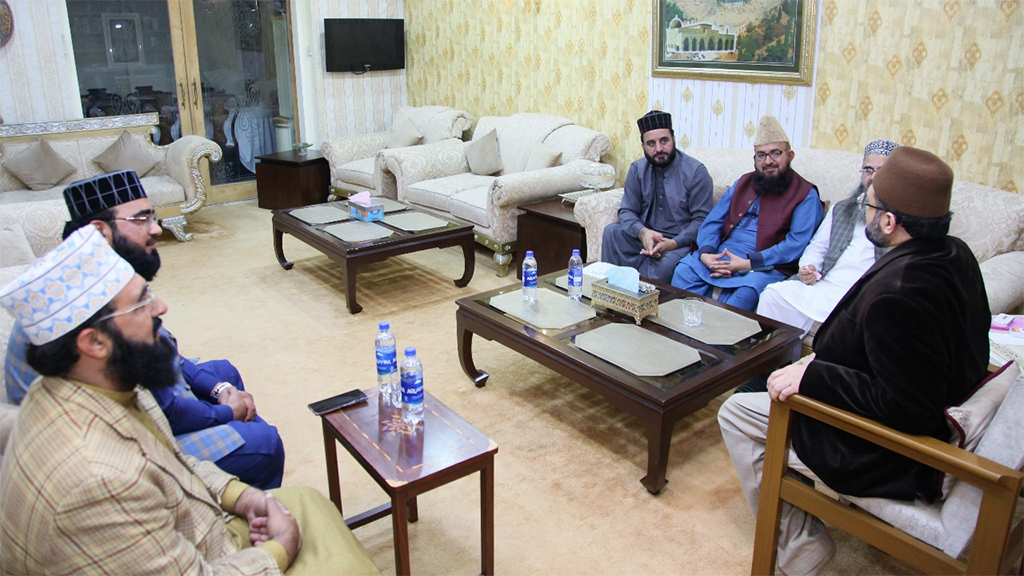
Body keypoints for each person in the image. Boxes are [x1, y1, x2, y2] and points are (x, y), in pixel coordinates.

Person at [0, 227, 380, 575]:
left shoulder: (97, 386)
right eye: (141, 302)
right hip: (203, 557)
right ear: (93, 342)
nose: (160, 307)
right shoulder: (94, 480)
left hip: (192, 529)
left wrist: (243, 497)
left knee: (309, 502)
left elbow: (173, 460)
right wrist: (280, 549)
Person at [717, 146, 990, 575]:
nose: (863, 211)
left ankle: (798, 546)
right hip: (935, 405)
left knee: (736, 413)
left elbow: (908, 408)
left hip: (891, 452)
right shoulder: (955, 255)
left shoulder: (899, 294)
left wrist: (817, 374)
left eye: (871, 204)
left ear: (888, 221)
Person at [4, 170, 285, 489]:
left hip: (140, 400)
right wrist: (228, 414)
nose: (157, 229)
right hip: (118, 435)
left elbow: (162, 346)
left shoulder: (98, 270)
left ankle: (240, 467)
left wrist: (219, 390)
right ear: (100, 230)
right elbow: (161, 408)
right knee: (264, 442)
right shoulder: (85, 298)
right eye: (141, 219)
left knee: (223, 373)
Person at [669, 115, 823, 311]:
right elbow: (713, 221)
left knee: (747, 293)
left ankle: (718, 341)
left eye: (775, 153)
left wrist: (748, 264)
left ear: (790, 156)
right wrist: (706, 253)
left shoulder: (805, 194)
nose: (768, 161)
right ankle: (679, 337)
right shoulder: (743, 182)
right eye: (761, 155)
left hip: (765, 265)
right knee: (684, 271)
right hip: (720, 255)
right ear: (754, 158)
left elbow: (795, 244)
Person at [756, 139, 899, 337]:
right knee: (773, 295)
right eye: (868, 170)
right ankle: (773, 359)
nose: (873, 178)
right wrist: (809, 267)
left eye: (881, 171)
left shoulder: (900, 218)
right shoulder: (843, 208)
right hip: (826, 284)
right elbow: (817, 246)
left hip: (863, 293)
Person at [600, 110, 714, 283]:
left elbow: (702, 221)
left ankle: (639, 298)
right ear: (643, 146)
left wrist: (672, 243)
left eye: (664, 141)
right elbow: (626, 211)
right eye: (651, 144)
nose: (659, 149)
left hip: (679, 243)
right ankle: (610, 292)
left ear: (674, 139)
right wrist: (643, 233)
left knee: (664, 266)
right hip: (646, 237)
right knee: (612, 233)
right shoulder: (637, 169)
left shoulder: (696, 172)